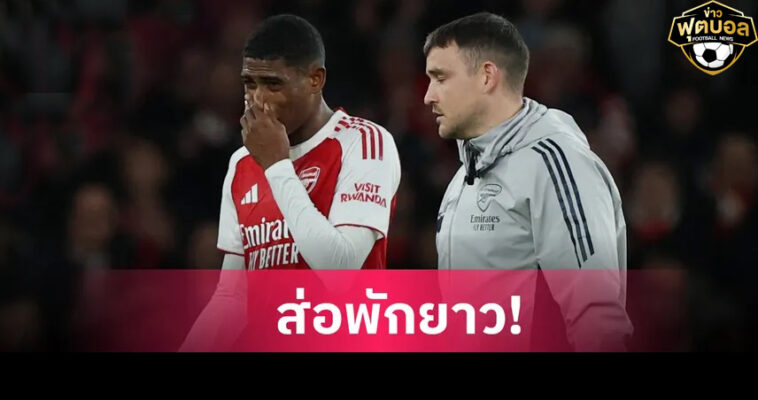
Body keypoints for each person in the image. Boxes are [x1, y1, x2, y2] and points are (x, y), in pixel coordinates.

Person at [180, 14, 401, 351]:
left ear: (315, 79)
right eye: (249, 83)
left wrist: (277, 166)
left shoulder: (363, 142)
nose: (257, 99)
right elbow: (232, 296)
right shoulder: (242, 163)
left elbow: (340, 271)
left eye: (273, 84)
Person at [423, 12, 632, 351]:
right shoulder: (464, 175)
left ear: (487, 77)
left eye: (441, 78)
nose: (428, 96)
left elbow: (597, 319)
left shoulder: (555, 163)